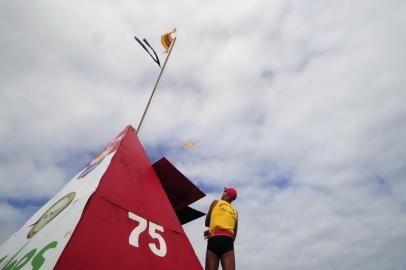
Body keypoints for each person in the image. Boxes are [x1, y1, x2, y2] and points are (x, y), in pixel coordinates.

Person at [204, 187, 238, 270]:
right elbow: (234, 233)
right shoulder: (235, 211)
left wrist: (213, 230)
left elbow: (207, 222)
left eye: (224, 191)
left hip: (214, 239)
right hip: (228, 240)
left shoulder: (216, 202)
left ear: (226, 193)